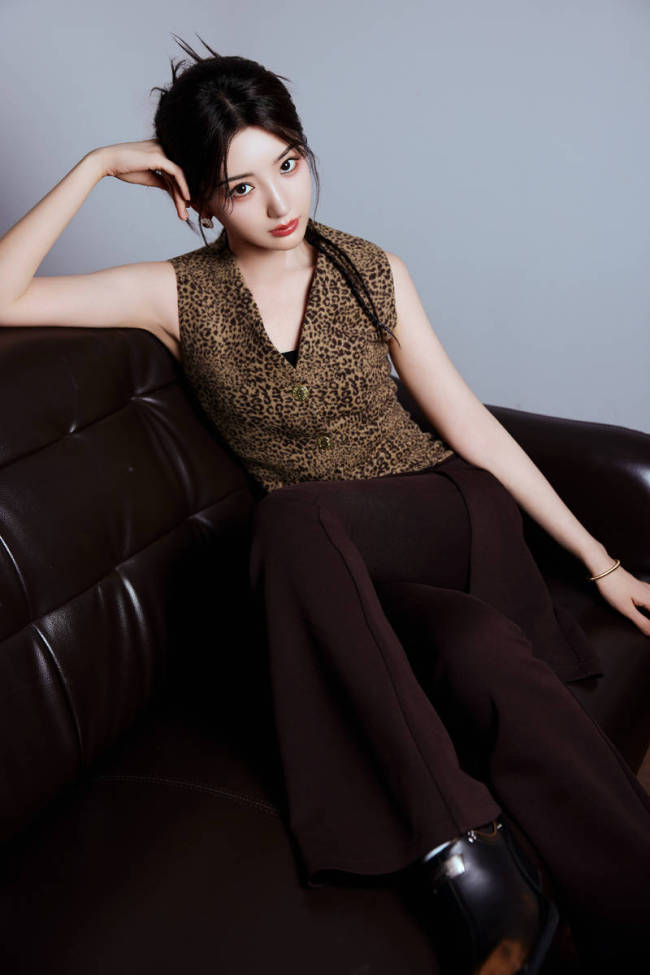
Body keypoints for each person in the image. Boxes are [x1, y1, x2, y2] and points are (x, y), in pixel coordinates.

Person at [1, 33, 649, 975]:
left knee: (296, 515)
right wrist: (98, 164)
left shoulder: (372, 271)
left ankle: (455, 858)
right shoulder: (175, 296)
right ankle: (530, 885)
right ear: (200, 197)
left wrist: (600, 560)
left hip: (438, 513)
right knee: (477, 652)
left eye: (289, 163)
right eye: (241, 186)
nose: (280, 204)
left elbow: (469, 425)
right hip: (336, 579)